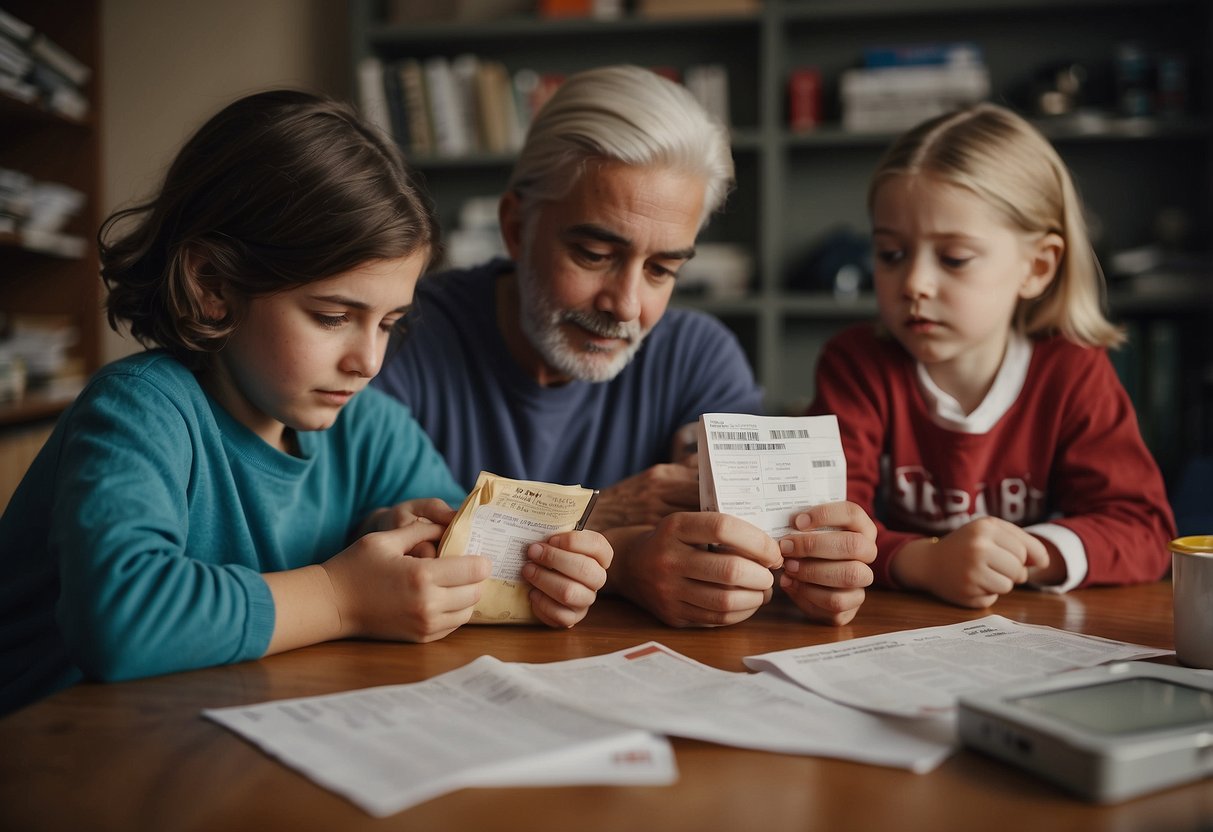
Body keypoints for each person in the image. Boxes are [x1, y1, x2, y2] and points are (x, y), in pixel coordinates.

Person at [0, 90, 612, 716]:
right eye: (333, 317)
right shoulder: (139, 410)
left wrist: (527, 576)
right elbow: (120, 622)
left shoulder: (367, 426)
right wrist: (341, 596)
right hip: (52, 751)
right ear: (212, 285)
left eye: (388, 323)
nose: (368, 361)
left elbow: (456, 567)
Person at [374, 65, 877, 628]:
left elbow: (740, 540)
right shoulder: (397, 334)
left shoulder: (698, 356)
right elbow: (401, 552)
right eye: (593, 254)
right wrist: (616, 544)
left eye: (662, 269)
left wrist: (810, 559)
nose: (627, 304)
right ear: (517, 227)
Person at [808, 103, 1176, 609]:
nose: (914, 283)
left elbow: (1145, 528)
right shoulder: (856, 366)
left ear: (1038, 267)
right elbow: (823, 524)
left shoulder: (1071, 371)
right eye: (891, 254)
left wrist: (1030, 553)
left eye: (954, 258)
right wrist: (927, 562)